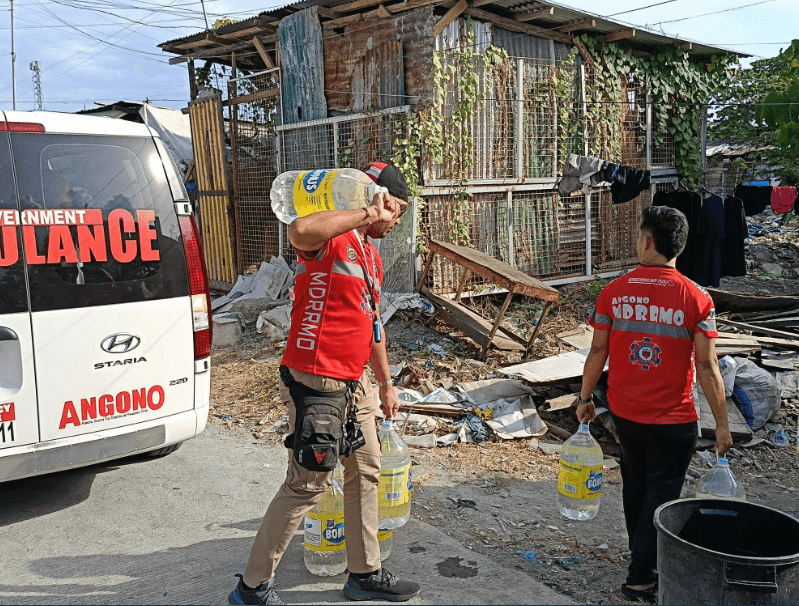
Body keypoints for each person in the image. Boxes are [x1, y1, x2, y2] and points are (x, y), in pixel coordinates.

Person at [229, 162, 421, 606]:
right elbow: (299, 231)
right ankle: (252, 587)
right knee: (308, 482)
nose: (397, 222)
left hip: (355, 382)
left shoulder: (369, 255)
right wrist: (366, 214)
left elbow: (373, 324)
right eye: (398, 210)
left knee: (367, 469)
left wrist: (387, 383)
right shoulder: (332, 238)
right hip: (317, 377)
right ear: (380, 199)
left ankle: (364, 573)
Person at [578, 206, 732, 604]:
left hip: (626, 415)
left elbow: (597, 352)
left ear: (647, 241)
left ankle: (641, 558)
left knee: (635, 487)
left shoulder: (614, 291)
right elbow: (707, 366)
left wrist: (584, 399)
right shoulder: (697, 298)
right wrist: (722, 424)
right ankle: (640, 577)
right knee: (661, 495)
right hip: (674, 420)